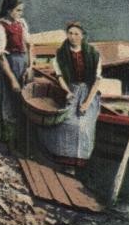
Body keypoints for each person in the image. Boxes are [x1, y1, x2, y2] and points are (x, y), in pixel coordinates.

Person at [37, 21, 102, 172]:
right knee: (66, 123)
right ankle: (63, 161)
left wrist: (86, 103)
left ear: (82, 36)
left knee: (83, 126)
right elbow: (60, 77)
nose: (73, 37)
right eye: (70, 33)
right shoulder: (61, 54)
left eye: (76, 34)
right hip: (70, 90)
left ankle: (79, 162)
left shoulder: (93, 54)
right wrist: (67, 92)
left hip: (88, 93)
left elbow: (97, 81)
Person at [0, 0, 32, 143]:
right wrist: (12, 79)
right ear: (8, 10)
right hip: (9, 66)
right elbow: (1, 57)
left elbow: (29, 46)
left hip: (23, 64)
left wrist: (30, 67)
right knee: (8, 101)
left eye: (21, 10)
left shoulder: (22, 23)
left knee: (23, 99)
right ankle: (7, 137)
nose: (21, 13)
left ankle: (21, 134)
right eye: (18, 10)